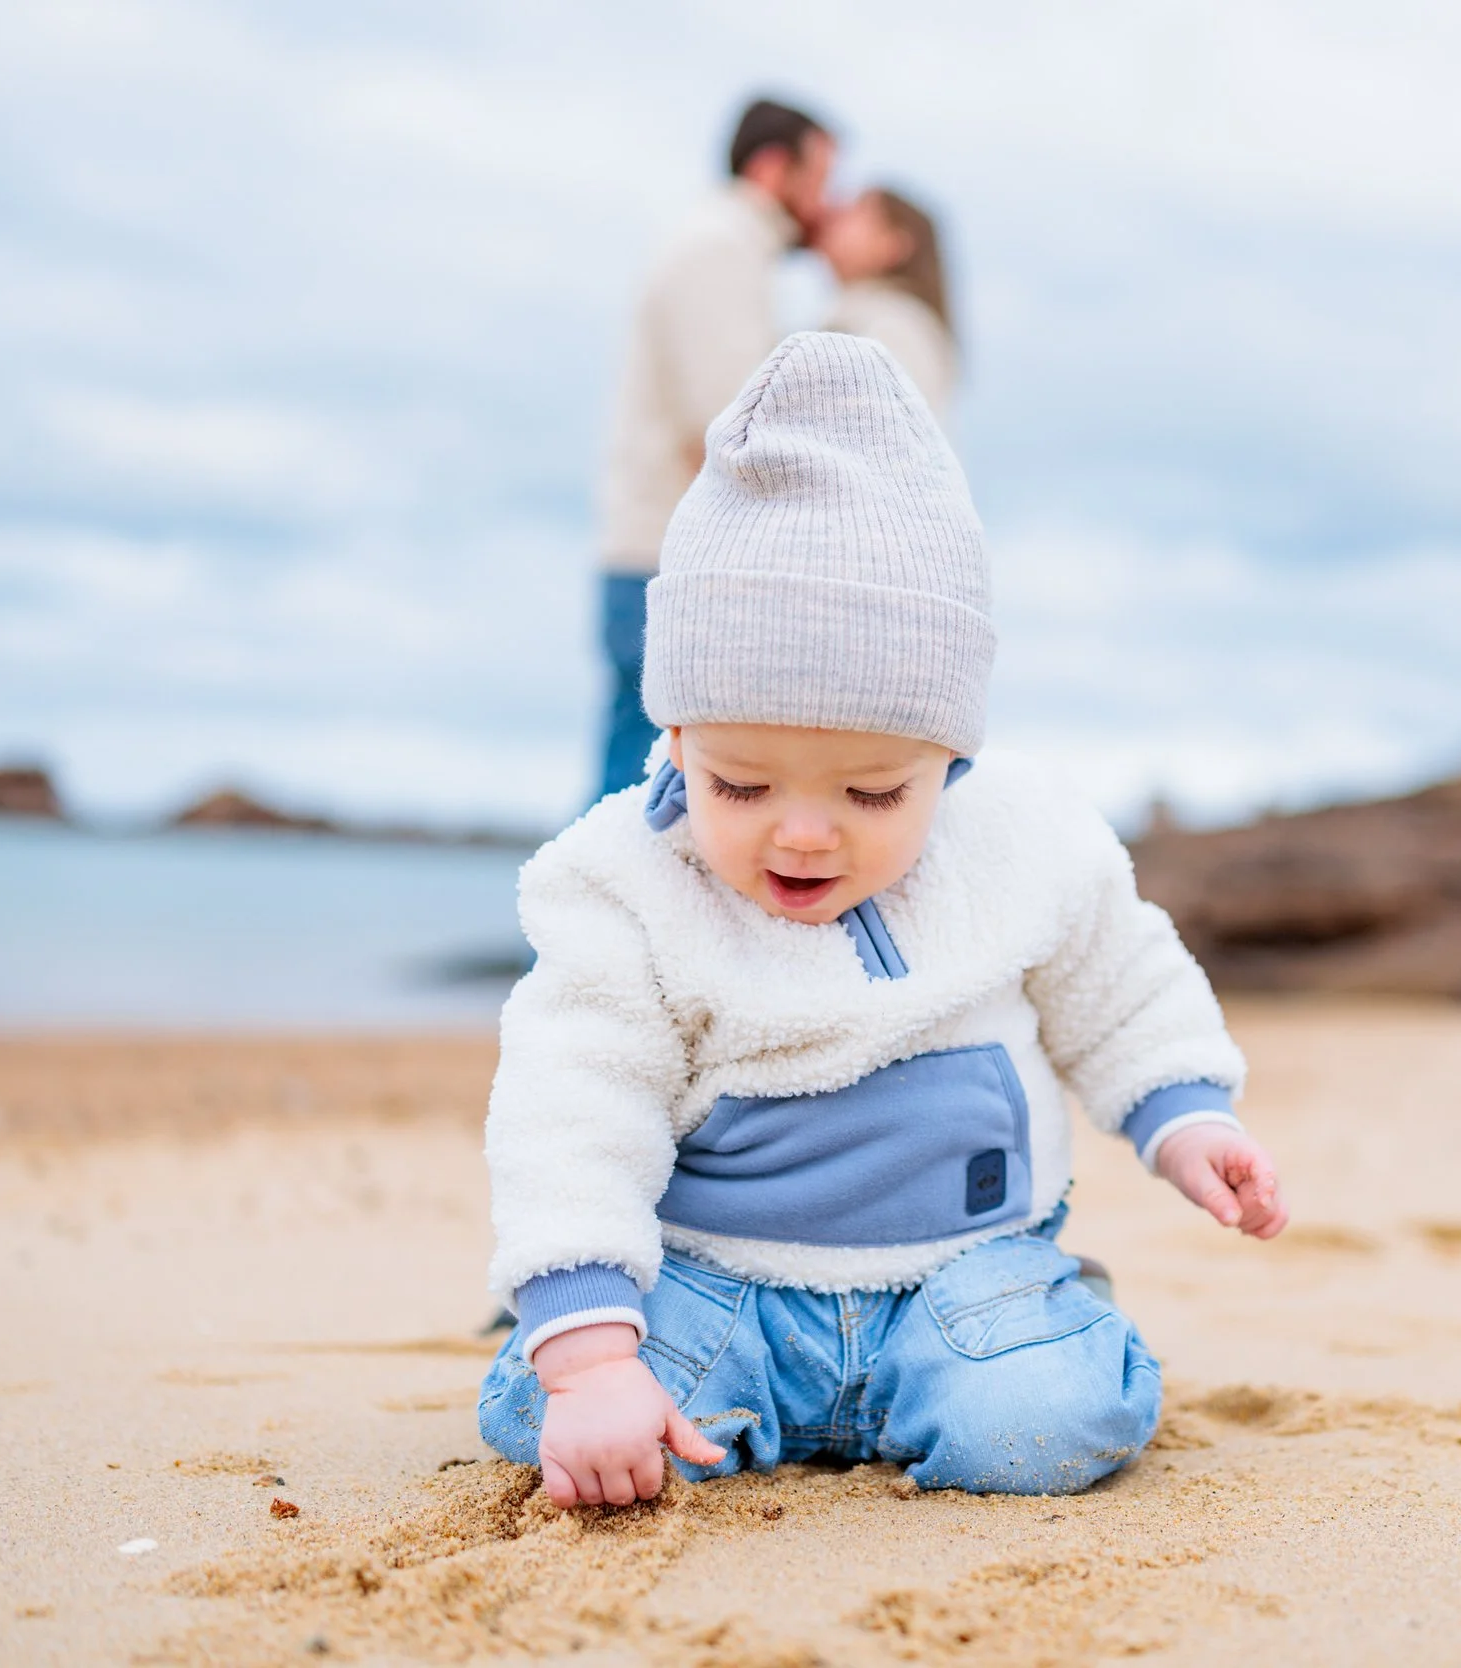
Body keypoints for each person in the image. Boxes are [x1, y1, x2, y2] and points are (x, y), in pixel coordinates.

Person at [478, 333, 1288, 1505]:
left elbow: (1119, 983)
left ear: (950, 760)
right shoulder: (625, 886)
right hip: (717, 1287)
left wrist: (1185, 1114)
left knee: (1045, 1427)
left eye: (872, 794)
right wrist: (591, 1357)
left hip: (961, 1281)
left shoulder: (1022, 842)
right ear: (675, 742)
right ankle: (687, 1390)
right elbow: (572, 1108)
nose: (803, 835)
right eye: (739, 786)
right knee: (539, 1408)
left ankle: (1040, 1328)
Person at [590, 98, 838, 804]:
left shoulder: (721, 246)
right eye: (818, 178)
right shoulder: (721, 248)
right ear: (771, 167)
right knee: (639, 797)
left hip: (653, 554)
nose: (825, 204)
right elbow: (731, 420)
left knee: (639, 782)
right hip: (669, 563)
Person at [819, 188, 959, 426]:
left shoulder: (896, 326)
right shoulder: (879, 318)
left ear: (893, 245)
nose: (836, 213)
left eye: (858, 210)